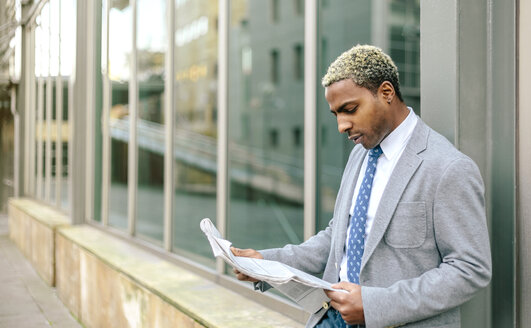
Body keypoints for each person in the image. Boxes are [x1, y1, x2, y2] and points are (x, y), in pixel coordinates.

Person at [230, 45, 492, 328]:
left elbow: (470, 269)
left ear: (386, 93)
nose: (342, 125)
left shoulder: (448, 168)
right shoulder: (361, 153)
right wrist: (266, 264)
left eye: (350, 110)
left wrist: (374, 305)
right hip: (330, 318)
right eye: (336, 114)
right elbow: (337, 239)